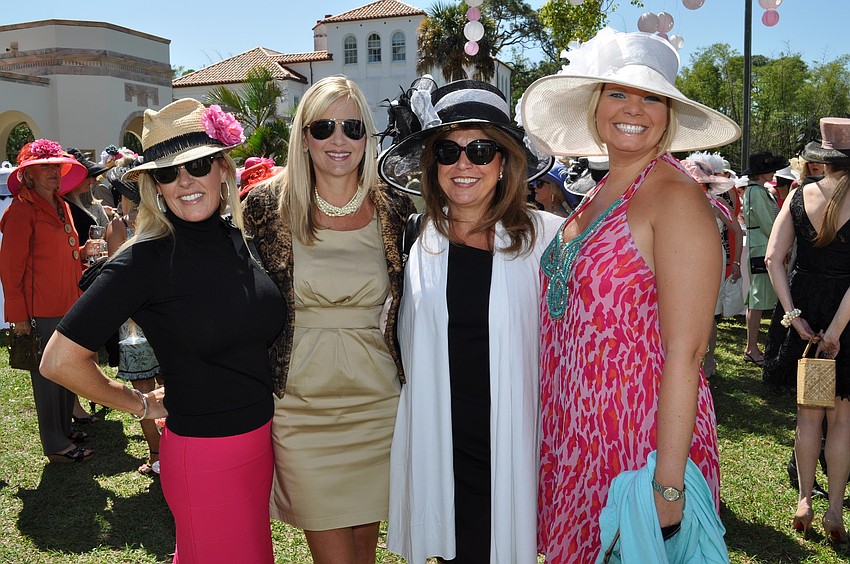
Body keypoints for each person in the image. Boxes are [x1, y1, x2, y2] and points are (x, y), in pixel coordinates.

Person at [521, 27, 741, 560]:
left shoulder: (675, 199)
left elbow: (688, 353)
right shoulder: (600, 191)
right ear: (596, 107)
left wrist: (667, 486)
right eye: (618, 92)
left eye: (651, 98)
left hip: (637, 442)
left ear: (670, 114)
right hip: (575, 436)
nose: (634, 109)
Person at [40, 98, 284, 563]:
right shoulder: (145, 260)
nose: (185, 181)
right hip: (204, 455)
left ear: (222, 168)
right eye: (168, 173)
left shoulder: (242, 240)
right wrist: (137, 403)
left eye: (196, 165)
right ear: (154, 186)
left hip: (259, 443)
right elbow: (58, 359)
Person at [378, 79, 558, 563]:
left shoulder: (549, 241)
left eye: (481, 150)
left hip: (513, 443)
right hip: (441, 443)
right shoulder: (418, 242)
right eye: (447, 150)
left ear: (504, 164)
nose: (463, 165)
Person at [241, 75, 415, 564]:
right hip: (300, 408)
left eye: (352, 127)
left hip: (379, 403)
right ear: (303, 135)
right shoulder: (266, 206)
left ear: (368, 136)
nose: (339, 140)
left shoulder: (395, 207)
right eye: (324, 127)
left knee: (364, 549)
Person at [762, 117, 850, 543]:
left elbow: (772, 259)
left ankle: (804, 499)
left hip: (805, 314)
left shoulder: (798, 195)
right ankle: (835, 508)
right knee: (843, 418)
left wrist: (794, 315)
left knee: (808, 415)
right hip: (846, 320)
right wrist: (836, 331)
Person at [0, 140, 92, 463]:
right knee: (48, 378)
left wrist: (82, 254)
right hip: (40, 310)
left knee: (66, 372)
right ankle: (55, 445)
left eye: (57, 166)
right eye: (46, 167)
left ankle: (65, 429)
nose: (54, 172)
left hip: (69, 304)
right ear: (28, 175)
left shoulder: (60, 204)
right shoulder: (21, 211)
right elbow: (10, 270)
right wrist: (19, 317)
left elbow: (61, 252)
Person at [102, 164, 164, 476]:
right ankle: (178, 446)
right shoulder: (163, 221)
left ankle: (157, 455)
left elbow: (117, 280)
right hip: (164, 316)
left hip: (133, 324)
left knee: (143, 393)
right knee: (171, 385)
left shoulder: (118, 226)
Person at [680, 154, 744, 378]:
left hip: (710, 263)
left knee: (708, 314)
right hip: (683, 264)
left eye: (697, 180)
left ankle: (708, 359)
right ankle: (687, 357)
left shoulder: (718, 203)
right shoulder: (680, 202)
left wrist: (735, 262)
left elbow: (736, 231)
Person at [742, 151, 787, 365]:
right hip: (761, 248)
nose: (774, 172)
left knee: (756, 299)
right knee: (757, 299)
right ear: (761, 173)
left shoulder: (758, 191)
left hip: (760, 246)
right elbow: (769, 223)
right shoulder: (757, 193)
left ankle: (752, 347)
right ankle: (752, 348)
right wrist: (783, 244)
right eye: (770, 169)